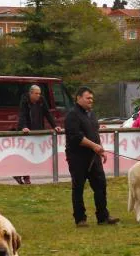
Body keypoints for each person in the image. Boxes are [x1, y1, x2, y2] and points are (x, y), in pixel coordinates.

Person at [64, 86, 119, 227]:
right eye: (88, 98)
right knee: (78, 188)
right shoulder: (72, 115)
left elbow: (94, 134)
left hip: (93, 157)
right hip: (77, 158)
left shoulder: (91, 114)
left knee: (100, 184)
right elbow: (76, 137)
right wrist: (94, 146)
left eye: (92, 98)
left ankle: (103, 216)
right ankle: (80, 218)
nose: (91, 101)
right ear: (78, 98)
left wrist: (100, 150)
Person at [14, 84, 62, 184]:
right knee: (25, 153)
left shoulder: (41, 100)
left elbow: (47, 113)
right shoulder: (24, 100)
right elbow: (22, 114)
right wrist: (24, 127)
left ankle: (25, 175)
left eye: (39, 93)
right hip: (26, 130)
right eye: (36, 93)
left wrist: (55, 126)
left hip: (37, 128)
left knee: (34, 153)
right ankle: (22, 175)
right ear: (30, 93)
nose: (38, 95)